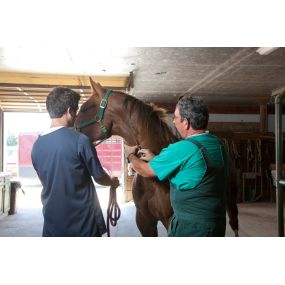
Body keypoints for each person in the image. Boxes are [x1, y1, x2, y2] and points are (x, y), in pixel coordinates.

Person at [125, 96, 229, 237]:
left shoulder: (182, 148)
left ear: (185, 123)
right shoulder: (218, 143)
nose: (173, 121)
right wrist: (156, 159)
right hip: (216, 223)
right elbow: (192, 166)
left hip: (191, 228)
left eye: (175, 117)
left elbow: (145, 171)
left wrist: (130, 155)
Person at [31, 86, 119, 237]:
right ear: (69, 111)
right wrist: (112, 182)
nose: (76, 115)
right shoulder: (80, 141)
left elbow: (46, 179)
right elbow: (99, 177)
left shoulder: (37, 145)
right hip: (83, 224)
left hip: (52, 224)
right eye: (76, 111)